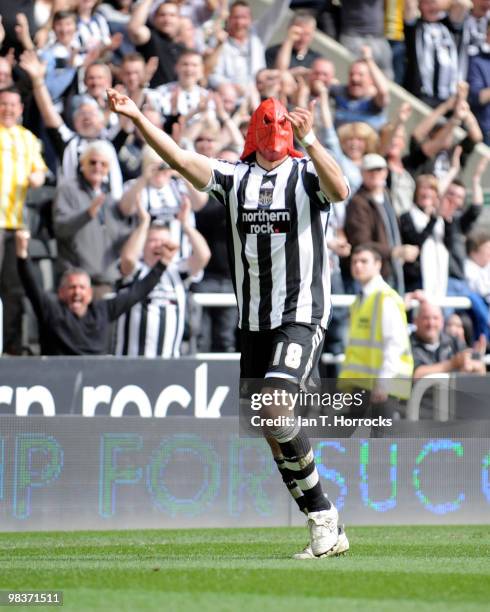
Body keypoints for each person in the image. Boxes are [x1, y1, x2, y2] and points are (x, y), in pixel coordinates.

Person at [107, 87, 350, 559]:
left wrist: (314, 140)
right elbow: (178, 157)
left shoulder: (305, 172)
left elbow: (340, 190)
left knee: (276, 409)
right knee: (271, 428)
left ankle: (324, 518)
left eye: (282, 124)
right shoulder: (233, 176)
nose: (276, 130)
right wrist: (136, 115)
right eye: (268, 123)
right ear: (252, 132)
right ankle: (324, 524)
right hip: (254, 322)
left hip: (300, 314)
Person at [15, 228, 177, 356]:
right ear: (61, 292)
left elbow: (137, 292)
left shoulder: (102, 310)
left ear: (90, 293)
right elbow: (31, 287)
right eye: (72, 287)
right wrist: (22, 254)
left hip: (96, 384)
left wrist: (162, 264)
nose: (77, 292)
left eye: (82, 287)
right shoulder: (52, 310)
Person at [115, 197, 210, 357]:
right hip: (130, 362)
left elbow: (204, 256)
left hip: (169, 364)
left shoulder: (177, 271)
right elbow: (128, 258)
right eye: (153, 241)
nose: (159, 245)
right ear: (143, 245)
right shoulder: (136, 270)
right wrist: (144, 223)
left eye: (164, 241)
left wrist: (185, 225)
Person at [339, 244, 414, 418]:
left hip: (384, 386)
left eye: (364, 261)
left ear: (378, 264)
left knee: (380, 443)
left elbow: (395, 344)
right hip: (364, 386)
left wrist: (383, 382)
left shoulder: (384, 298)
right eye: (354, 262)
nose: (358, 266)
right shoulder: (360, 300)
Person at [0, 85, 47, 354]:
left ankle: (11, 346)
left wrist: (37, 179)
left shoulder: (27, 139)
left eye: (12, 105)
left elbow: (39, 170)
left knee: (14, 289)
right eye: (3, 104)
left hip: (16, 225)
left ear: (20, 110)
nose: (7, 109)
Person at [53, 141, 133, 297]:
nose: (98, 167)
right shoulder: (67, 190)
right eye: (93, 162)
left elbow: (119, 237)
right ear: (82, 163)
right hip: (76, 285)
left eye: (103, 164)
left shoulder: (110, 197)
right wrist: (87, 214)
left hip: (106, 284)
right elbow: (61, 228)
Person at [344, 154, 419, 294]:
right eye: (370, 170)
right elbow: (361, 243)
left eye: (379, 169)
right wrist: (395, 252)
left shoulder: (387, 196)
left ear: (386, 172)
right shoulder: (357, 202)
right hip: (373, 275)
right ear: (362, 173)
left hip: (392, 271)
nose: (375, 174)